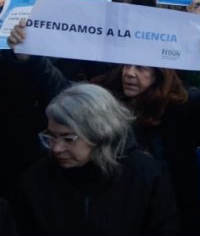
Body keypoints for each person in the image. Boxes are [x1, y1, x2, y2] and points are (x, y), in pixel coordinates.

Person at [11, 84, 180, 235]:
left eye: (68, 138)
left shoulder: (145, 176)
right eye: (51, 136)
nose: (56, 148)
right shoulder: (37, 179)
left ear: (100, 133)